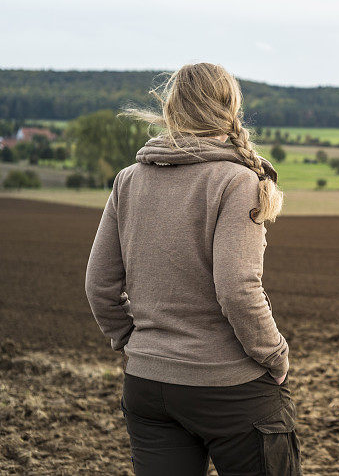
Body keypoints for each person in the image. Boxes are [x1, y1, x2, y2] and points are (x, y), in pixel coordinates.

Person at [85, 63, 301, 475]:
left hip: (147, 387)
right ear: (231, 109)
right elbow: (238, 288)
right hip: (230, 389)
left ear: (172, 109)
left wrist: (136, 343)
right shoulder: (236, 182)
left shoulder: (128, 180)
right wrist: (274, 355)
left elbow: (98, 286)